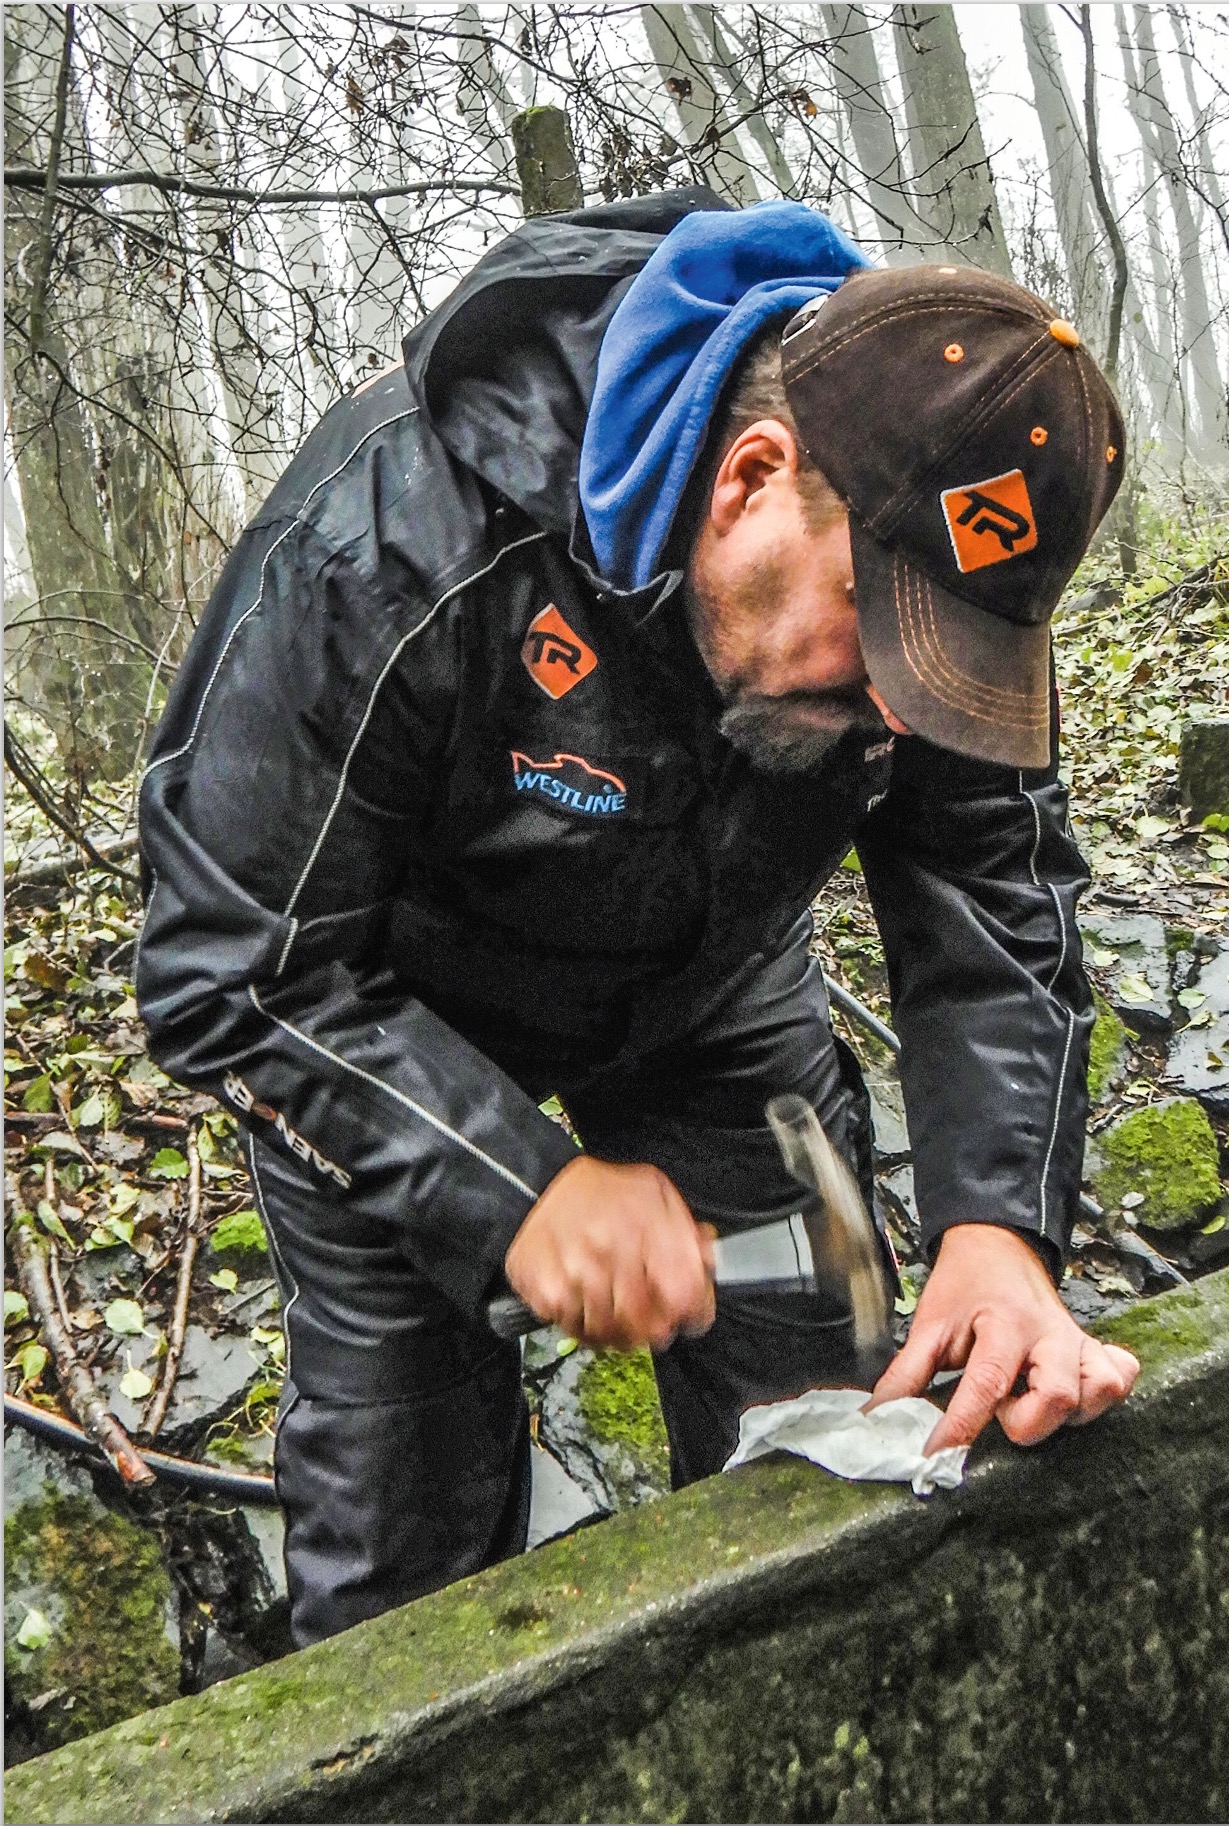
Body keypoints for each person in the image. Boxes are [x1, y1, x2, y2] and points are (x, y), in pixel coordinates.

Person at [136, 191, 1139, 1648]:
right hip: (386, 1030)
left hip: (714, 1001)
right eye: (880, 637)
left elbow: (994, 887)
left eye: (951, 670)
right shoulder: (386, 548)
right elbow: (228, 967)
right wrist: (516, 1186)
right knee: (404, 1569)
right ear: (748, 478)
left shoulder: (925, 612)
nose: (900, 707)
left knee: (847, 1463)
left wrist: (1001, 1224)